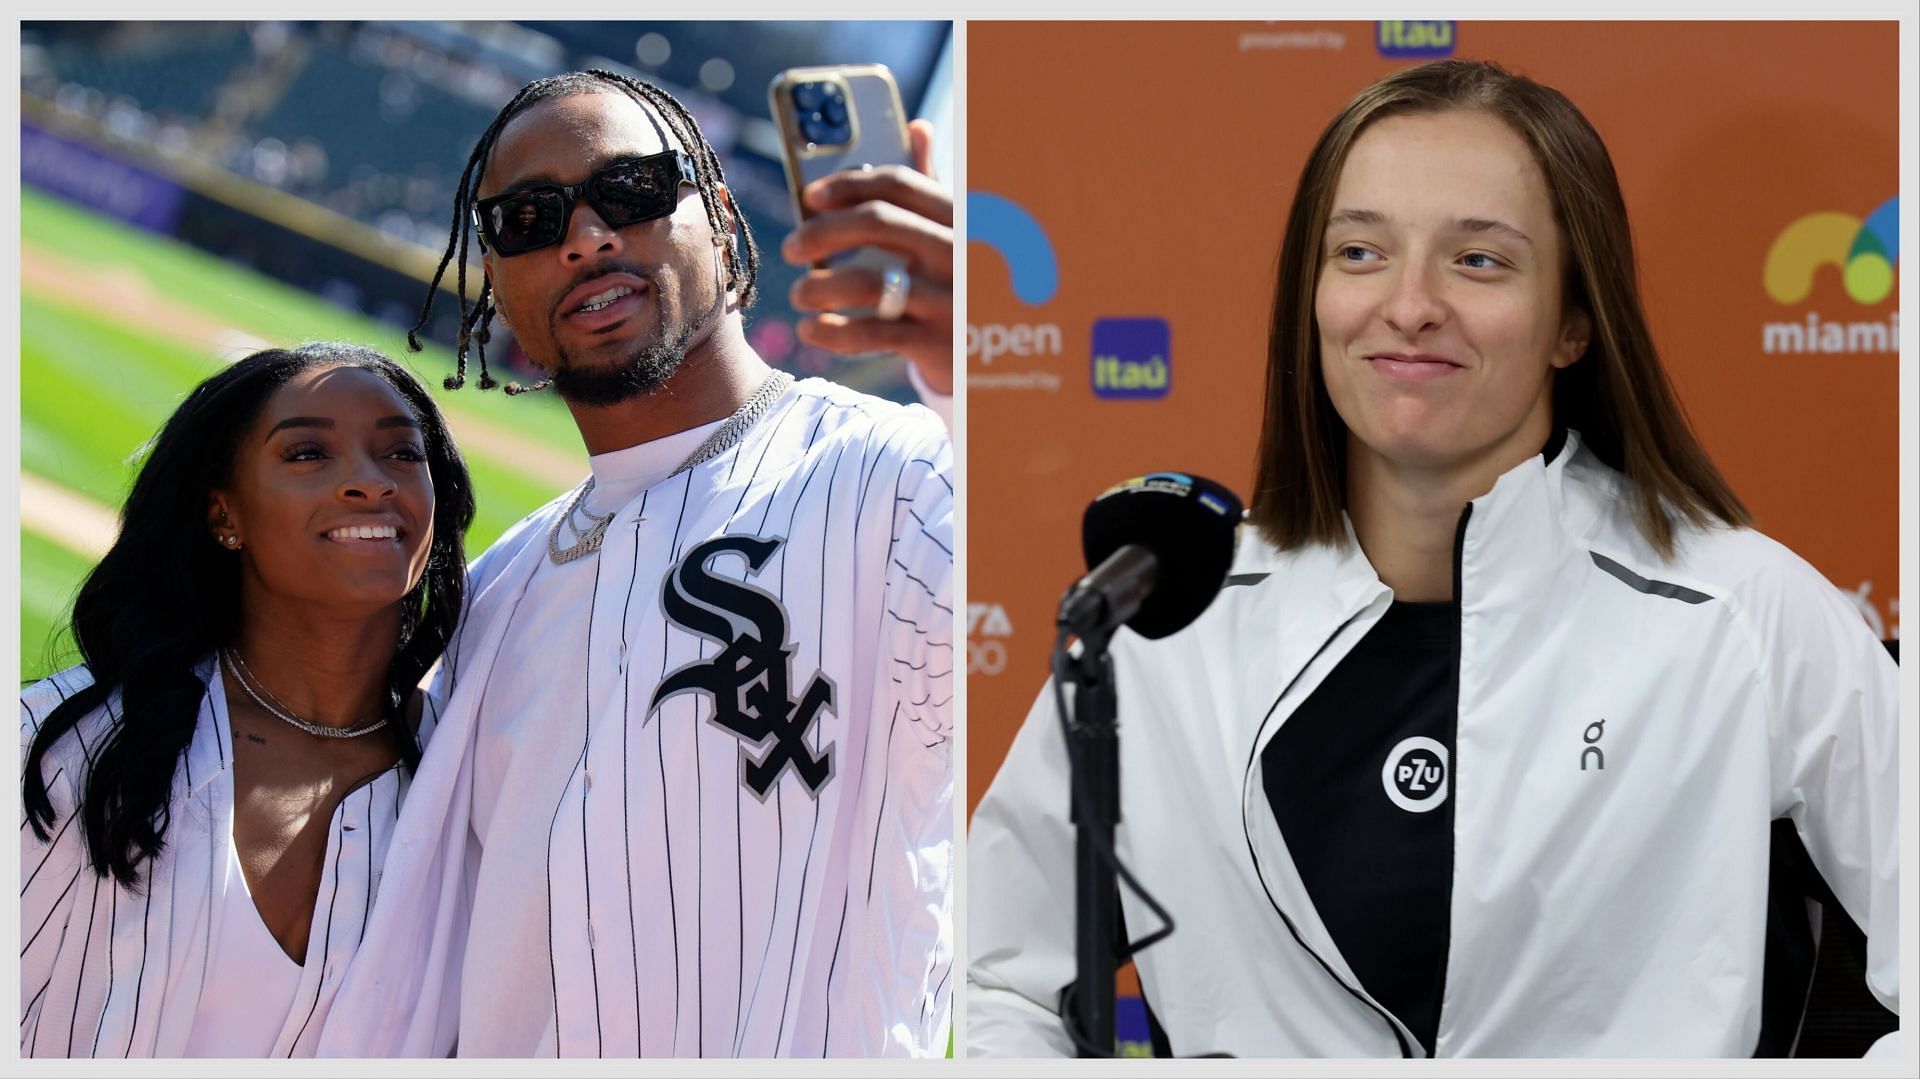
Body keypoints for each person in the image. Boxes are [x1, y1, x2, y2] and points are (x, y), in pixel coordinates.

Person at [967, 59, 1899, 1058]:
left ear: (1574, 322)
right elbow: (992, 984)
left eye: (1479, 262)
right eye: (1361, 251)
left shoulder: (1741, 611)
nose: (1409, 305)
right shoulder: (1165, 614)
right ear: (1311, 297)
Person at [315, 69, 954, 1057]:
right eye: (529, 218)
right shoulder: (501, 586)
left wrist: (987, 389)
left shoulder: (899, 475)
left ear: (719, 213)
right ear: (498, 281)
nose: (585, 237)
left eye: (633, 191)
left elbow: (1041, 634)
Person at [20, 343, 475, 1057]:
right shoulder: (69, 744)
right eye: (306, 454)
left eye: (401, 454)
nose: (369, 482)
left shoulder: (476, 788)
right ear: (223, 514)